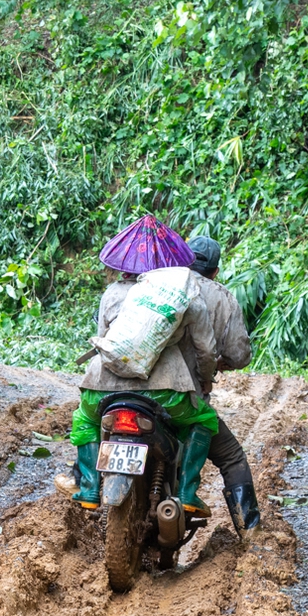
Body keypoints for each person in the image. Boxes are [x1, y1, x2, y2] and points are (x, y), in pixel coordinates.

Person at [61, 216, 220, 518]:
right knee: (204, 419)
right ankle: (187, 493)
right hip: (164, 392)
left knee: (84, 420)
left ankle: (89, 488)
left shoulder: (112, 293)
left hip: (101, 388)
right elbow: (206, 350)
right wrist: (205, 379)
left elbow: (105, 339)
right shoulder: (186, 296)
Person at [183, 234, 261, 538]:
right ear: (215, 271)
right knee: (231, 456)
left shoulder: (158, 283)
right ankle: (250, 534)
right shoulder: (222, 298)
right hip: (187, 398)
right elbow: (239, 354)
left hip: (135, 392)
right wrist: (219, 363)